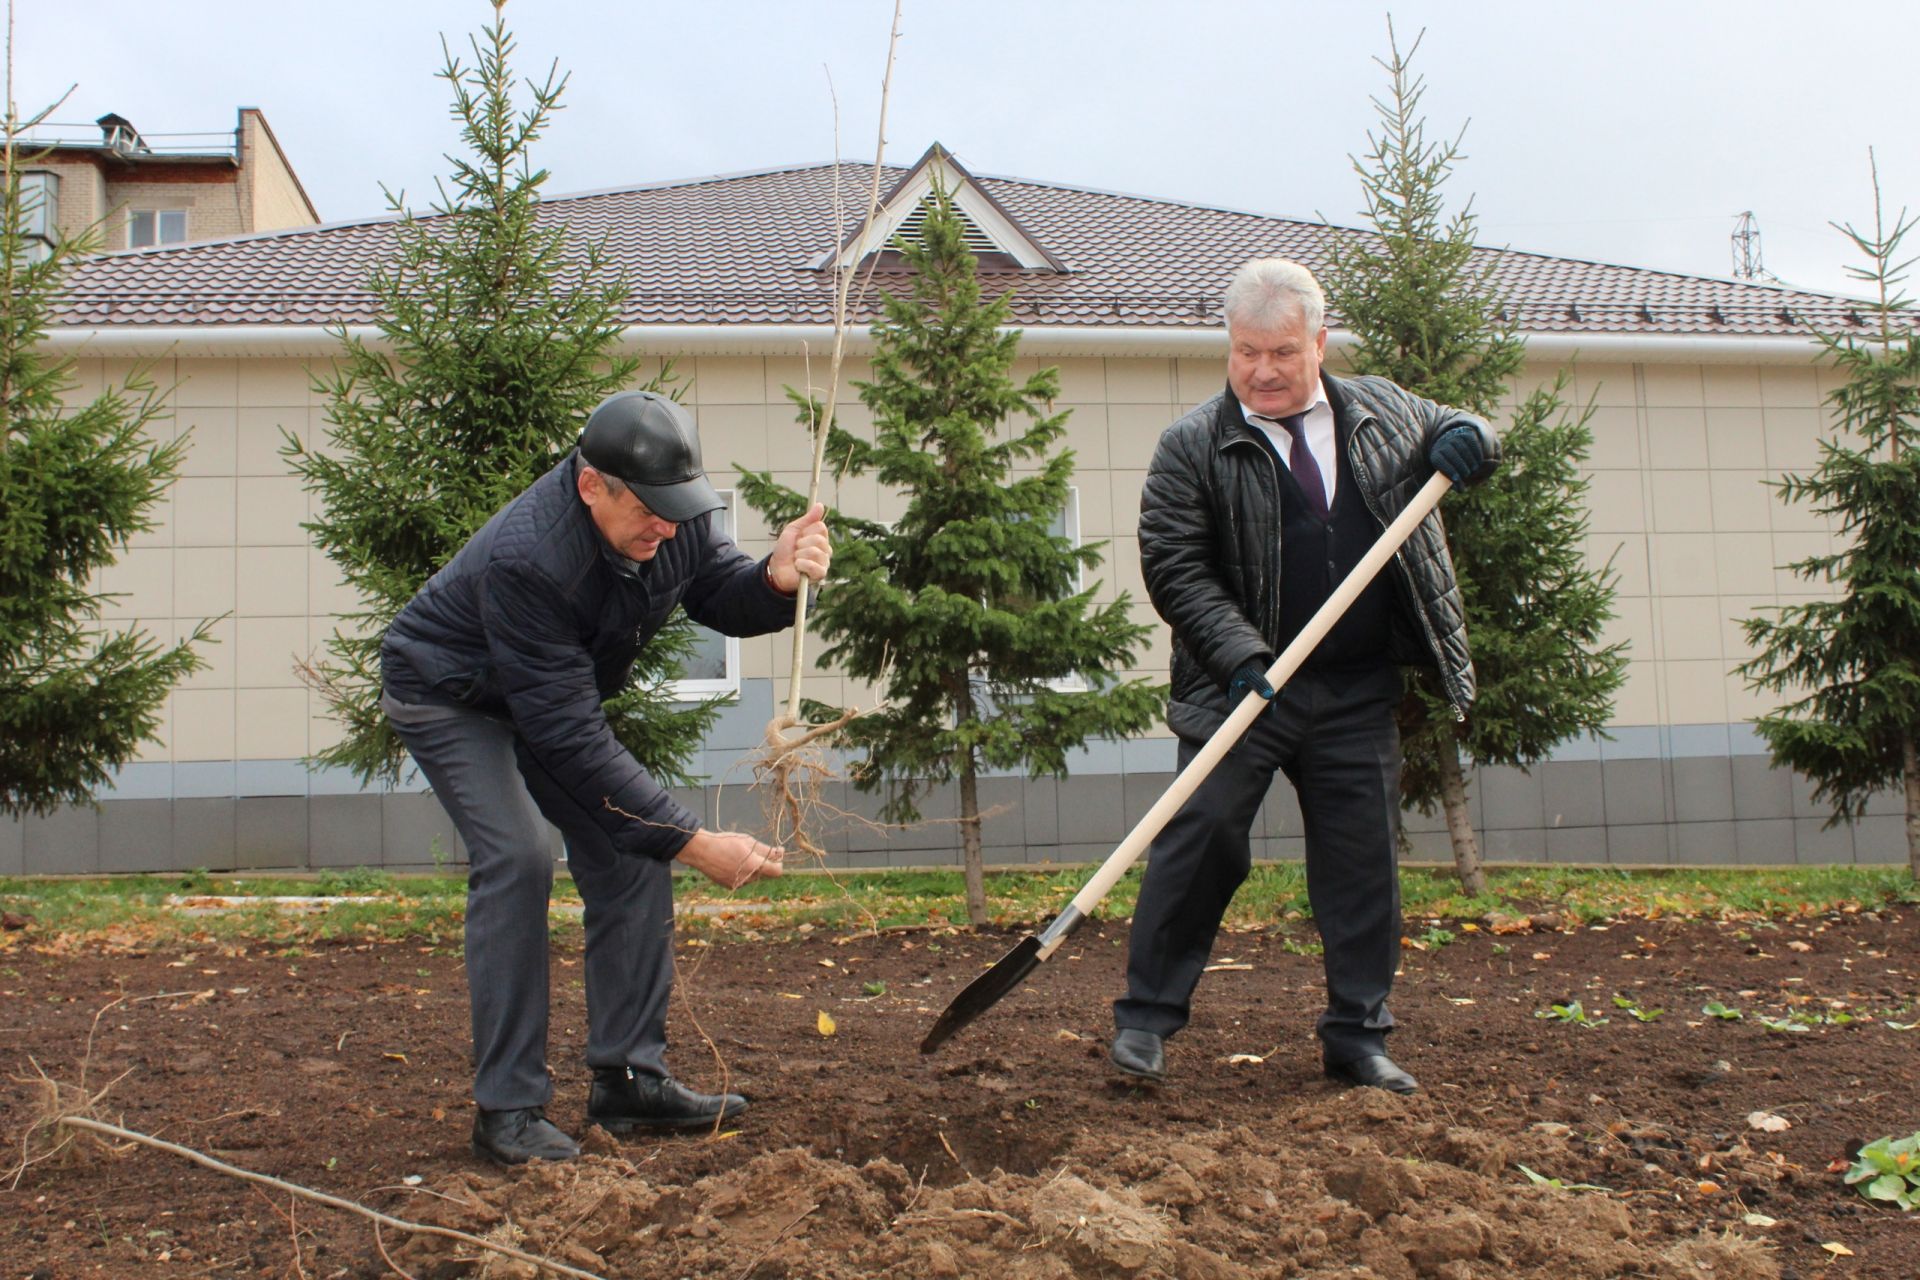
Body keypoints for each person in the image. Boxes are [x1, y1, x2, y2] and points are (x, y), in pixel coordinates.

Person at [380, 389, 831, 1164]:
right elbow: (569, 740)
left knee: (630, 853)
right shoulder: (533, 558)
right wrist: (691, 840)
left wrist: (777, 580)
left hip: (547, 699)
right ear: (593, 485)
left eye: (678, 507)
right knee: (518, 858)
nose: (667, 524)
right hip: (451, 695)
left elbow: (718, 587)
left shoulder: (673, 514)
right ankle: (508, 1114)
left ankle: (628, 1080)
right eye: (649, 509)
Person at [1110, 258, 1498, 1095]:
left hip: (1356, 688)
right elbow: (1175, 567)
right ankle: (1145, 1020)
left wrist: (1477, 439)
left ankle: (1358, 1037)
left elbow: (1460, 429)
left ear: (1320, 343)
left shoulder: (1385, 411)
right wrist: (1242, 655)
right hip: (1238, 685)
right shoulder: (1192, 446)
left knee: (1362, 863)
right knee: (1201, 838)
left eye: (1282, 352)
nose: (1262, 371)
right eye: (1245, 352)